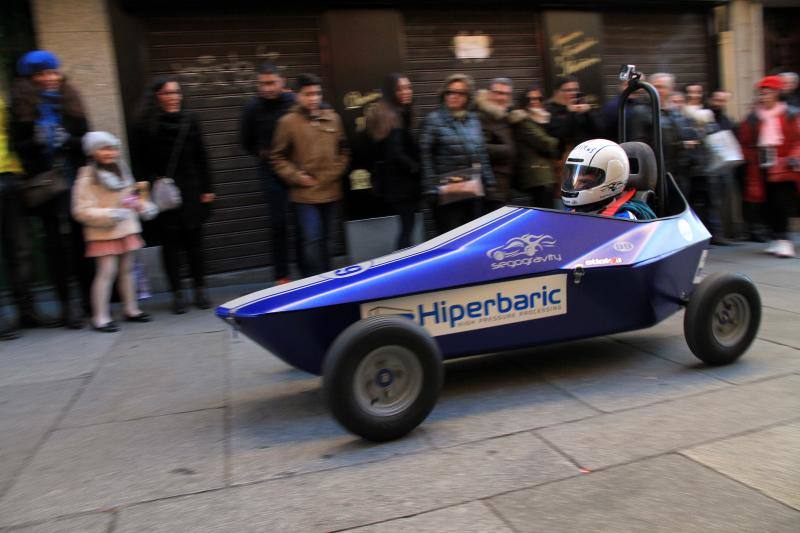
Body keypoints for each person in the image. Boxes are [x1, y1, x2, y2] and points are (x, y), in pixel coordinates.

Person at [9, 50, 91, 328]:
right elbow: (17, 149)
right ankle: (68, 306)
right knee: (55, 246)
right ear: (29, 79)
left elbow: (86, 141)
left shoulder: (71, 101)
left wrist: (67, 140)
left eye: (53, 72)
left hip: (76, 182)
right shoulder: (21, 109)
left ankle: (90, 301)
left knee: (81, 242)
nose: (50, 78)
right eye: (42, 74)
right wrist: (36, 141)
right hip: (45, 186)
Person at [131, 77, 215, 313]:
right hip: (162, 193)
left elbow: (202, 157)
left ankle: (200, 289)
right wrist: (143, 195)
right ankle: (177, 293)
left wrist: (208, 190)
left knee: (195, 243)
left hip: (191, 189)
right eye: (167, 93)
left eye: (176, 92)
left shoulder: (191, 120)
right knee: (170, 246)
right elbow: (139, 164)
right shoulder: (143, 126)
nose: (173, 96)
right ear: (157, 96)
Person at [72, 132, 157, 332]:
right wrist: (110, 213)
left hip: (126, 228)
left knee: (127, 271)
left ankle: (131, 308)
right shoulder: (87, 176)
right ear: (92, 152)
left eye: (112, 148)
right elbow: (80, 210)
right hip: (104, 232)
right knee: (106, 273)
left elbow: (130, 196)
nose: (110, 153)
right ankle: (100, 317)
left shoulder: (122, 170)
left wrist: (142, 206)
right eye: (104, 148)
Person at [271, 73, 350, 276]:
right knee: (312, 239)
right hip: (305, 194)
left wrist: (335, 171)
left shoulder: (333, 118)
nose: (314, 98)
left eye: (317, 93)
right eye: (308, 94)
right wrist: (296, 176)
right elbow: (277, 157)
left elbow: (344, 150)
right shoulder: (288, 122)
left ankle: (328, 281)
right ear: (298, 95)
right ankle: (312, 282)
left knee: (328, 240)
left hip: (331, 191)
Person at [240, 62, 296, 284]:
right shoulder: (252, 107)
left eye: (271, 83)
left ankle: (308, 270)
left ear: (281, 82)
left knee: (302, 222)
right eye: (262, 84)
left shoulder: (293, 102)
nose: (267, 88)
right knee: (278, 221)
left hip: (296, 169)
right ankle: (281, 275)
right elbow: (245, 140)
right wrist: (260, 152)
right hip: (270, 171)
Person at [420, 73, 495, 234]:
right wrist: (431, 188)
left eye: (460, 93)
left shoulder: (473, 119)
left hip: (472, 185)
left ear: (468, 97)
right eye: (450, 92)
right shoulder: (434, 120)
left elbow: (481, 152)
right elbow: (425, 156)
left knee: (473, 234)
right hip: (446, 188)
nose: (454, 96)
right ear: (443, 94)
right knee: (450, 235)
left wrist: (489, 181)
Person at [737, 75, 800, 258]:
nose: (764, 96)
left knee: (782, 203)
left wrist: (794, 157)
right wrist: (748, 158)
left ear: (777, 94)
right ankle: (775, 238)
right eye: (762, 93)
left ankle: (785, 239)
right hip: (760, 168)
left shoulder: (791, 114)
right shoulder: (753, 118)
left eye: (768, 93)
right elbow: (746, 142)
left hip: (785, 167)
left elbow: (798, 139)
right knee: (766, 204)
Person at [365, 73, 420, 249]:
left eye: (408, 87)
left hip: (401, 183)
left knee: (407, 227)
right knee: (407, 229)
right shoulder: (389, 115)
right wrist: (416, 167)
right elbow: (395, 153)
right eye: (400, 88)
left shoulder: (400, 112)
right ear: (391, 91)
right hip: (400, 184)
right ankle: (404, 266)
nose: (406, 92)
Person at [561, 139, 656, 220]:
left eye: (584, 182)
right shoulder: (570, 212)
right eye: (575, 180)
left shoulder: (624, 219)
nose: (576, 186)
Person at [512, 85, 560, 208]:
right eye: (531, 99)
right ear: (524, 101)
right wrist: (558, 141)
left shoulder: (541, 117)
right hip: (537, 176)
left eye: (538, 98)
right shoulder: (524, 120)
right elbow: (546, 143)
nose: (535, 102)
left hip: (546, 173)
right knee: (545, 213)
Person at [475, 78, 516, 211]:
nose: (502, 97)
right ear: (489, 94)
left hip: (506, 185)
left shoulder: (506, 116)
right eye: (498, 92)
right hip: (490, 188)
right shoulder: (482, 116)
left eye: (506, 94)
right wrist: (508, 150)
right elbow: (479, 148)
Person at [545, 76, 601, 159]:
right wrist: (570, 113)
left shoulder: (583, 107)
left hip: (588, 155)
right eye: (568, 90)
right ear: (557, 92)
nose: (573, 93)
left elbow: (599, 131)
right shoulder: (549, 110)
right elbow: (560, 135)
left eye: (576, 89)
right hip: (563, 159)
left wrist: (588, 113)